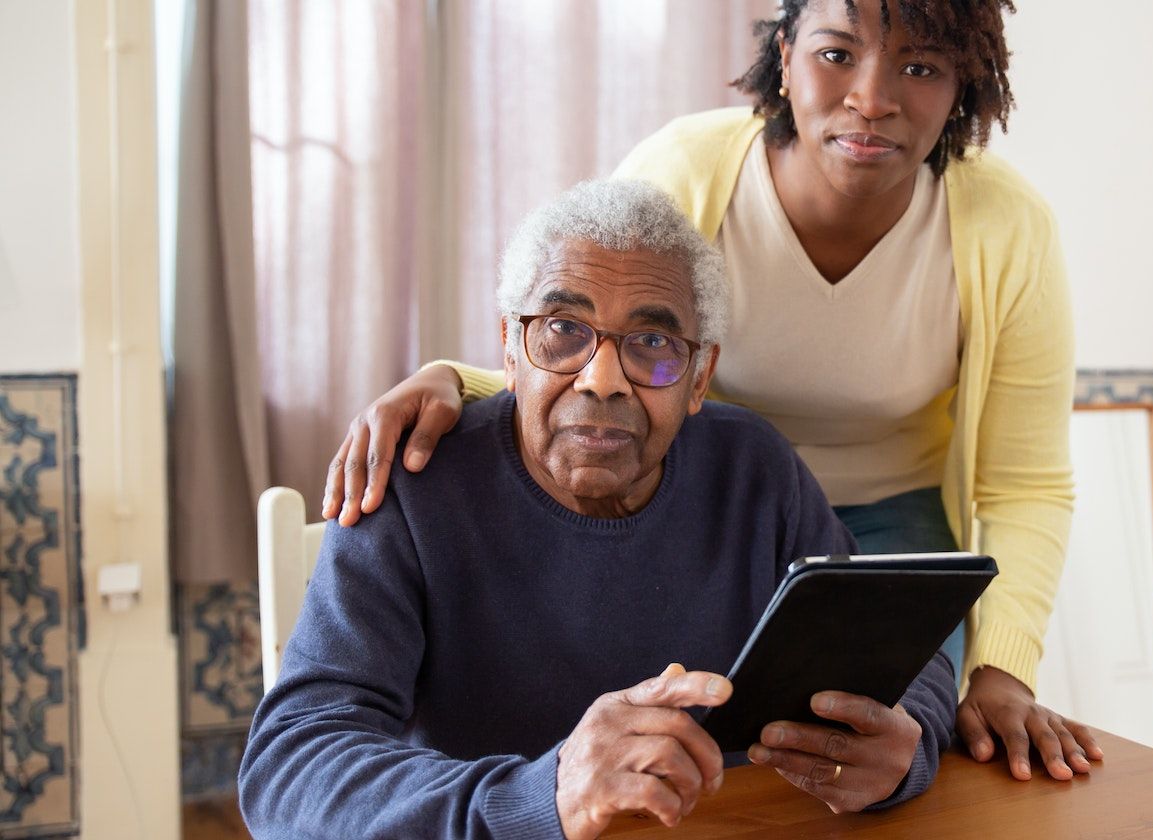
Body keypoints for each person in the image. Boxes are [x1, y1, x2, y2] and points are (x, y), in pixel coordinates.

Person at [321, 0, 1100, 781]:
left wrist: (1002, 673)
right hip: (719, 506)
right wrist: (457, 380)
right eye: (837, 54)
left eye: (921, 67)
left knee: (883, 755)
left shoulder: (1006, 226)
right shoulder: (690, 169)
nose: (871, 98)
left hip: (893, 515)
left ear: (963, 86)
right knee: (692, 749)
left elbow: (1024, 482)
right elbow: (598, 332)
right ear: (785, 57)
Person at [240, 181, 956, 840]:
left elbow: (901, 653)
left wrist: (908, 748)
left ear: (699, 377)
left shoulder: (754, 469)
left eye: (653, 344)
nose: (602, 379)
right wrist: (544, 795)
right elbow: (290, 769)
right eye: (562, 329)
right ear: (510, 348)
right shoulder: (414, 482)